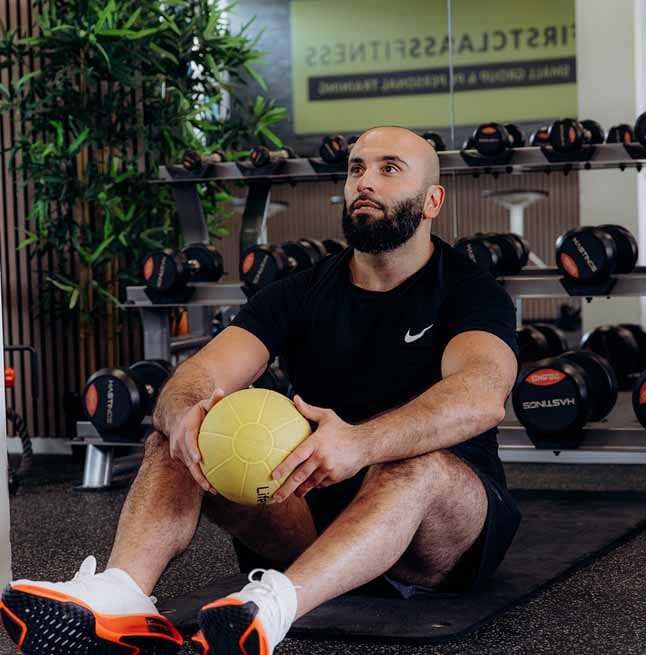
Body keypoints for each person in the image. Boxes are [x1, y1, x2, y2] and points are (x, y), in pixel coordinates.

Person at [0, 126, 521, 654]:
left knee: (414, 465)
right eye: (357, 168)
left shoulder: (470, 292)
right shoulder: (297, 293)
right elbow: (195, 378)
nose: (365, 182)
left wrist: (361, 443)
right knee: (184, 430)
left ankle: (273, 607)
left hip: (435, 530)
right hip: (307, 512)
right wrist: (184, 414)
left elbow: (480, 395)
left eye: (389, 169)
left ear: (432, 200)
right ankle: (122, 594)